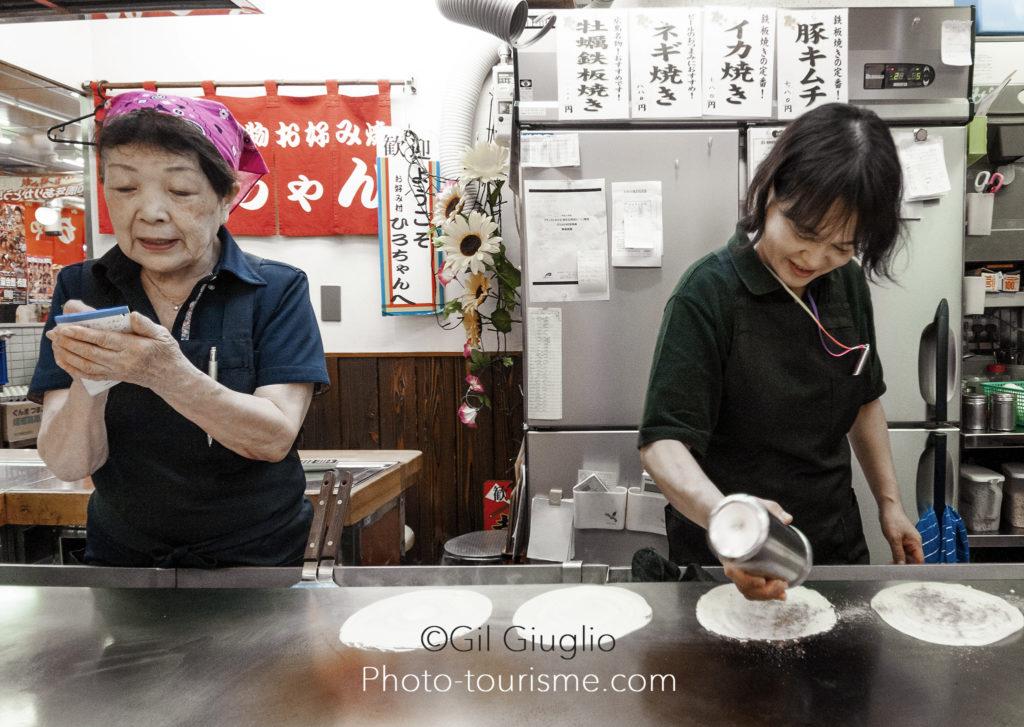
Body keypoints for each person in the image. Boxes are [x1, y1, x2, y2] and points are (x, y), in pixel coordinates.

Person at [30, 91, 330, 568]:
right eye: (125, 188)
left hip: (259, 562)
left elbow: (272, 438)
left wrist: (163, 371)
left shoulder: (275, 289)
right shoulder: (83, 286)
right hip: (124, 562)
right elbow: (69, 464)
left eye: (181, 191)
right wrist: (92, 375)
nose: (149, 212)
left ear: (228, 195)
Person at [639, 103, 924, 601]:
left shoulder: (846, 283)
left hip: (833, 544)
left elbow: (863, 398)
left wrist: (890, 502)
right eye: (804, 232)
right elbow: (663, 444)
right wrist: (734, 523)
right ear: (772, 191)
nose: (814, 260)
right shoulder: (708, 293)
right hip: (728, 556)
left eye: (842, 247)